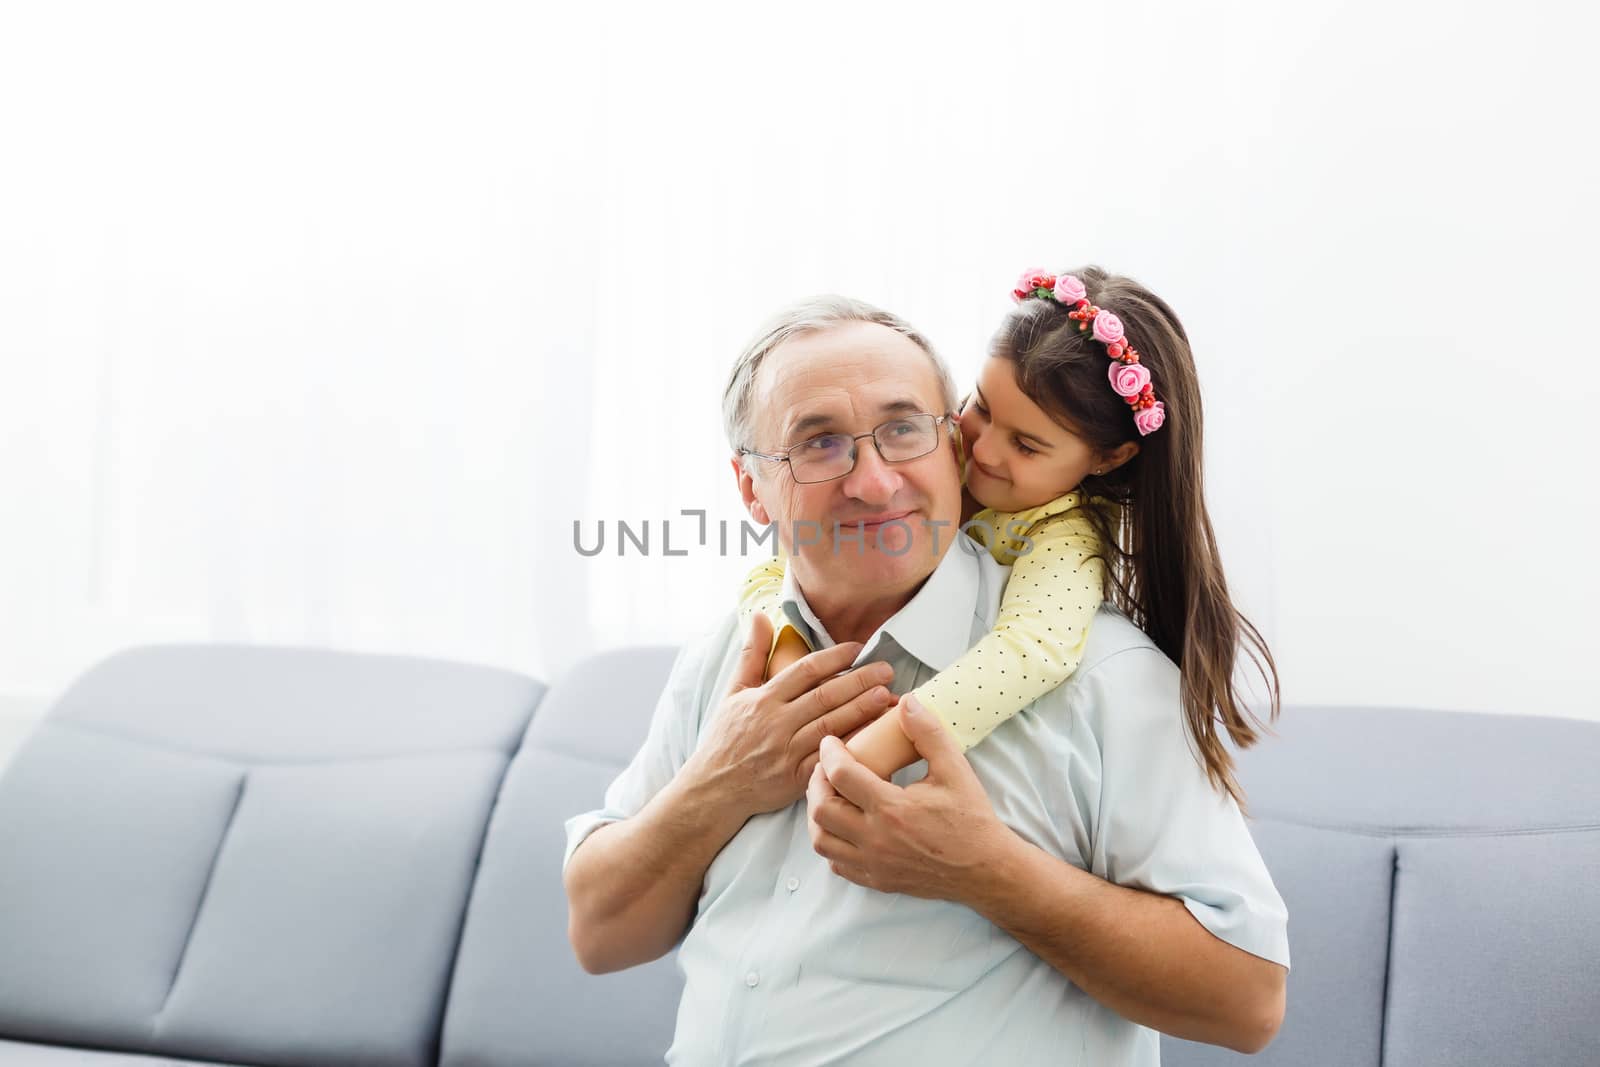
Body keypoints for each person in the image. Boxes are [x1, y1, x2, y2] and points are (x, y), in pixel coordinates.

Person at [562, 284, 1289, 1065]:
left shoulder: (1104, 675)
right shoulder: (724, 658)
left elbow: (1248, 1002)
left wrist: (990, 873)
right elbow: (600, 933)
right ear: (751, 489)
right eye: (819, 442)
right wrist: (720, 781)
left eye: (902, 428)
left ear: (951, 443)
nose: (874, 481)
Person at [737, 268, 1161, 783]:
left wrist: (869, 750)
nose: (980, 449)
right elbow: (787, 552)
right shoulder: (931, 448)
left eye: (1026, 445)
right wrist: (782, 656)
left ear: (1107, 458)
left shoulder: (1067, 537)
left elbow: (1032, 650)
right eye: (978, 406)